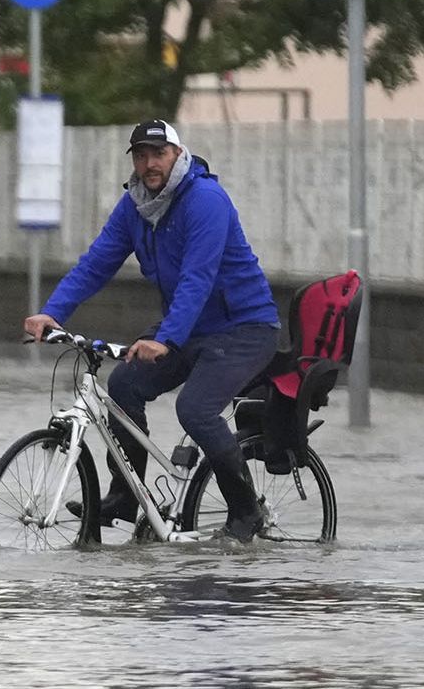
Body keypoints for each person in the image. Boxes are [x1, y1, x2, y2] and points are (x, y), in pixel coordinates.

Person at [22, 119, 281, 542]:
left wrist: (165, 339)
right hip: (188, 326)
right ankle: (126, 496)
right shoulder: (135, 206)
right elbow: (96, 263)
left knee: (195, 409)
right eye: (141, 156)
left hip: (243, 327)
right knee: (124, 384)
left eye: (158, 154)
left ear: (178, 154)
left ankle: (246, 511)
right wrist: (52, 313)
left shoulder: (206, 200)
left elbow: (198, 278)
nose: (149, 164)